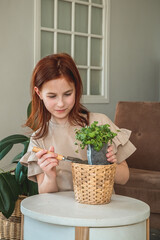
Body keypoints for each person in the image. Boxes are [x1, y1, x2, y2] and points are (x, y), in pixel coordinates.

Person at [20, 53, 136, 194]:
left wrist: (109, 165)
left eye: (68, 94)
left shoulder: (100, 123)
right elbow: (45, 194)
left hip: (101, 210)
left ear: (76, 88)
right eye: (52, 96)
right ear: (39, 93)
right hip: (63, 213)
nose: (61, 103)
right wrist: (50, 176)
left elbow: (124, 178)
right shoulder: (38, 139)